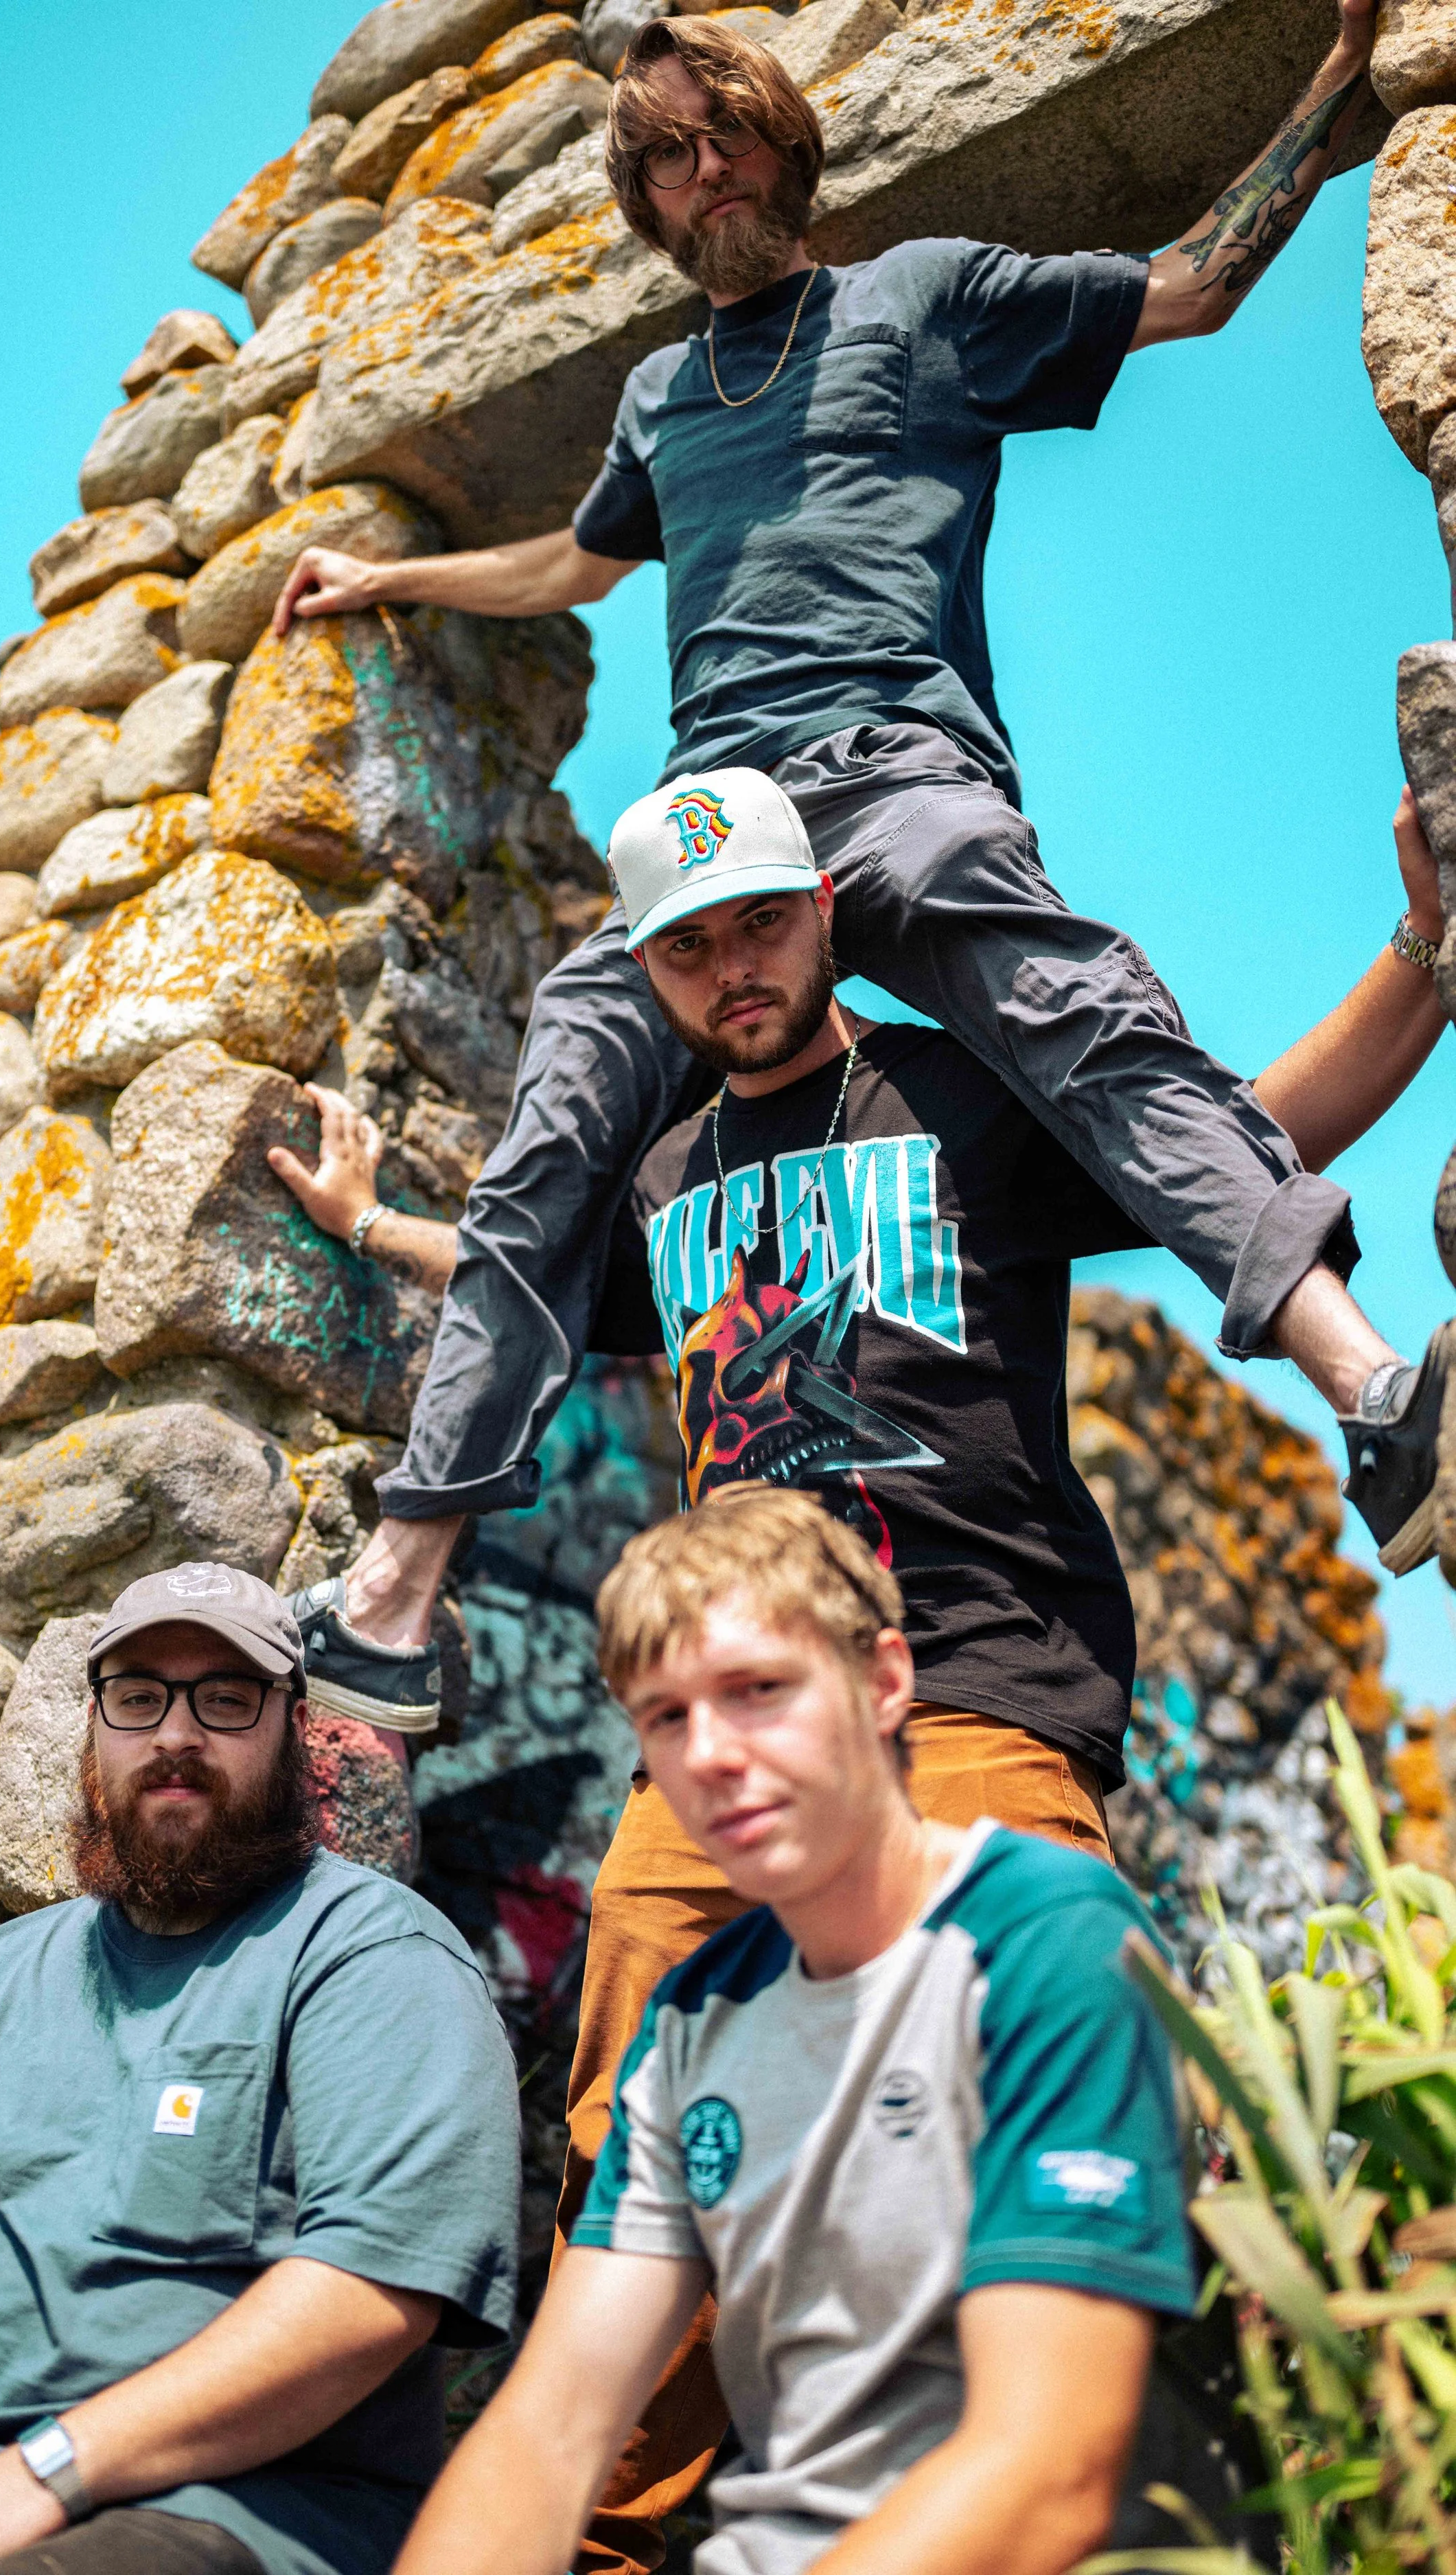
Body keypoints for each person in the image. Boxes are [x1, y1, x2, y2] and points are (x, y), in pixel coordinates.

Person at [275, 775, 1445, 2574]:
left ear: (825, 905)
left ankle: (1047, 2498)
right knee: (633, 2129)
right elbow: (523, 1290)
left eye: (758, 922)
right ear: (648, 965)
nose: (731, 968)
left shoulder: (957, 1086)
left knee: (1003, 2061)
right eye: (687, 944)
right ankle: (616, 2537)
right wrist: (372, 1229)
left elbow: (1238, 1133)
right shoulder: (662, 1164)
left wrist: (1420, 959)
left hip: (979, 1675)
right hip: (746, 1715)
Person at [270, 0, 1450, 1710]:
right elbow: (575, 570)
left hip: (895, 767)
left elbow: (1188, 284)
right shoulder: (659, 394)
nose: (700, 173)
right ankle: (389, 1604)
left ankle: (1368, 1401)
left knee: (1071, 1012)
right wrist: (389, 582)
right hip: (703, 828)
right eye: (662, 158)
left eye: (721, 133)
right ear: (645, 203)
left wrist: (1334, 89)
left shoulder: (919, 298)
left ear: (785, 141)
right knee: (553, 1131)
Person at [389, 1485, 1197, 2575]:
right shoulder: (695, 2018)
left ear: (883, 1682)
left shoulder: (1048, 1942)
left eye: (757, 1691)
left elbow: (1047, 2470)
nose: (711, 1754)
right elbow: (549, 2431)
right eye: (667, 1716)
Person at [0, 1563, 520, 2575]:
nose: (176, 1735)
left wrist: (46, 2471)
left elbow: (367, 2298)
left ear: (293, 1726)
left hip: (241, 2509)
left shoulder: (370, 1958)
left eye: (225, 1698)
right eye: (139, 1696)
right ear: (96, 1725)